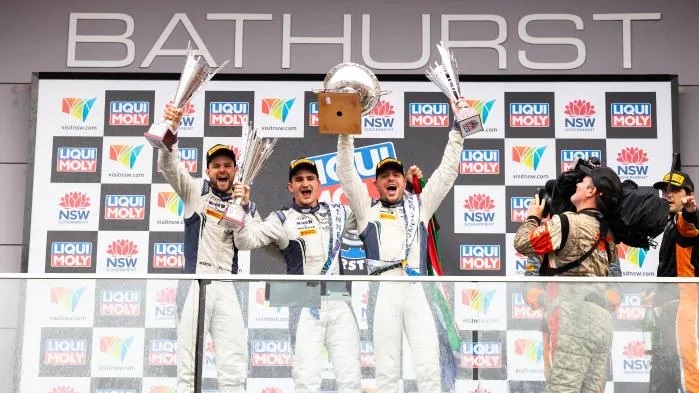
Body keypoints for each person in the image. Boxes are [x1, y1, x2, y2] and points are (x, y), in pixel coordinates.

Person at [335, 98, 472, 393]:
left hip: (417, 289)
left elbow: (447, 173)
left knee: (428, 366)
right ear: (377, 185)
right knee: (386, 370)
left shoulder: (420, 206)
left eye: (396, 174)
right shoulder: (365, 209)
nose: (391, 178)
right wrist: (346, 132)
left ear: (403, 180)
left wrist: (458, 131)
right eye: (384, 176)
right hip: (383, 291)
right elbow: (346, 173)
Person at [234, 158, 362, 393]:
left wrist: (411, 188)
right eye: (299, 179)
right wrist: (244, 207)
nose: (305, 183)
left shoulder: (337, 212)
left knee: (350, 377)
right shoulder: (281, 218)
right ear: (290, 186)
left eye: (310, 178)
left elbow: (368, 214)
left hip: (339, 299)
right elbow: (245, 240)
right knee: (306, 379)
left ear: (319, 184)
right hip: (303, 302)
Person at [161, 104, 256, 393]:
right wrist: (171, 130)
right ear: (208, 170)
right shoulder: (194, 191)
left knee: (233, 367)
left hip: (227, 284)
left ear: (236, 171)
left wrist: (240, 209)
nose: (222, 170)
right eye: (216, 166)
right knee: (188, 368)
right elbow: (168, 165)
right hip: (195, 283)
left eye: (228, 165)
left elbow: (247, 243)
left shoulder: (246, 205)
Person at [514, 165, 622, 393]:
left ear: (592, 191)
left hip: (573, 317)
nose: (577, 184)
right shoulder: (608, 233)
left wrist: (533, 217)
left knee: (563, 389)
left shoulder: (566, 222)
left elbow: (522, 243)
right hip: (602, 322)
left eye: (582, 182)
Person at [647, 170, 699, 392]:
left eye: (674, 191)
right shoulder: (668, 223)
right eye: (664, 191)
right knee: (663, 371)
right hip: (667, 306)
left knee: (688, 366)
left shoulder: (685, 220)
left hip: (685, 305)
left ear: (688, 195)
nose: (667, 195)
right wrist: (656, 296)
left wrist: (690, 212)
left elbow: (689, 229)